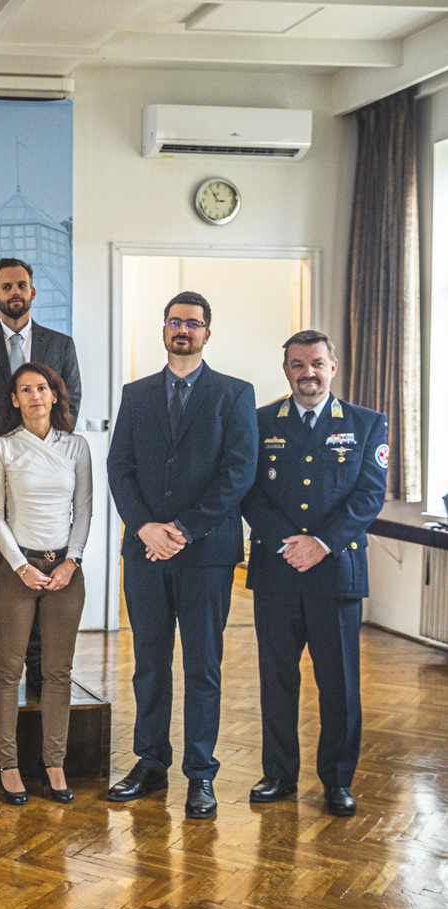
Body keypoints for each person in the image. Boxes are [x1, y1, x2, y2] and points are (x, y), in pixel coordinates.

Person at [106, 291, 258, 820]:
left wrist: (183, 529)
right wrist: (145, 527)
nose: (183, 330)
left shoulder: (234, 394)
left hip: (207, 554)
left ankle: (200, 773)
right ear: (164, 329)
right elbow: (120, 467)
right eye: (175, 321)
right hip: (145, 552)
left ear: (207, 333)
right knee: (149, 664)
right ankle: (150, 763)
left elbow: (238, 472)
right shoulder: (136, 394)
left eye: (193, 323)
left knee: (202, 666)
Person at [242, 330, 387, 817]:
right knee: (277, 679)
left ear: (333, 367)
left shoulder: (367, 423)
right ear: (286, 370)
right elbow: (248, 491)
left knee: (339, 684)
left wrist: (321, 543)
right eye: (298, 365)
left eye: (317, 364)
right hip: (278, 570)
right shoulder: (259, 422)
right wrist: (289, 543)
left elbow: (369, 495)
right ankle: (278, 774)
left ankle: (338, 781)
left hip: (336, 573)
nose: (309, 373)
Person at [0, 258, 82, 700]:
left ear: (32, 291)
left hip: (44, 477)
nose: (15, 292)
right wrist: (4, 447)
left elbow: (71, 399)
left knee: (43, 568)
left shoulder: (60, 344)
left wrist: (37, 448)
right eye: (6, 287)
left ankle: (40, 671)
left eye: (21, 285)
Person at [0, 363, 92, 805]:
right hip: (16, 568)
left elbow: (84, 508)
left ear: (55, 395)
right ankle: (8, 765)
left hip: (64, 568)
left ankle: (54, 763)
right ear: (14, 400)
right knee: (7, 670)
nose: (34, 396)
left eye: (42, 388)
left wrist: (71, 561)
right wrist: (20, 566)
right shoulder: (2, 447)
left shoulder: (76, 446)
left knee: (57, 671)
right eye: (25, 389)